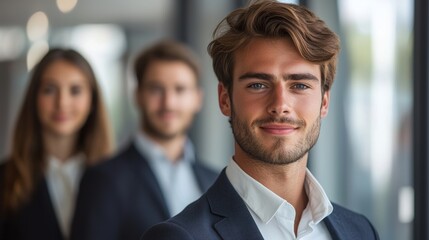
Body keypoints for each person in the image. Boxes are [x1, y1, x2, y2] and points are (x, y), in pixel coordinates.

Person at [142, 1, 379, 240]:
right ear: (225, 100)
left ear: (324, 102)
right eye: (258, 85)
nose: (280, 105)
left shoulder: (361, 231)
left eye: (299, 85)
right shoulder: (180, 236)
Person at [70, 40, 218, 240]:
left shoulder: (215, 181)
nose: (168, 102)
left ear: (197, 99)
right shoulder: (103, 180)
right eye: (156, 89)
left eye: (180, 89)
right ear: (138, 96)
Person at [0, 48, 113, 240]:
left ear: (92, 102)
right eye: (49, 90)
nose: (62, 102)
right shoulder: (4, 179)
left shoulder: (117, 178)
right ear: (34, 99)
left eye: (75, 90)